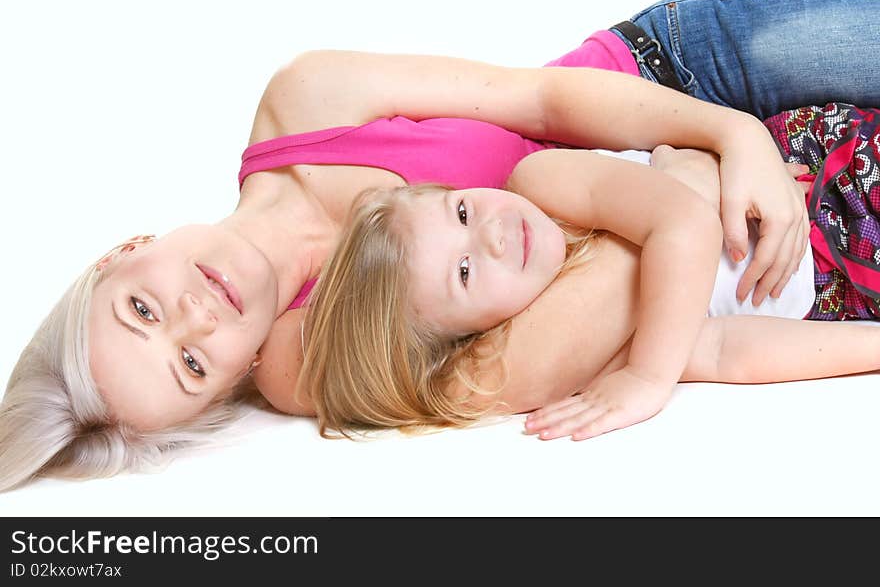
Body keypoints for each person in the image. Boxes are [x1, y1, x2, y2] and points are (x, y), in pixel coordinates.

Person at [2, 0, 879, 492]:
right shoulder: (311, 352)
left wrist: (729, 137)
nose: (194, 317)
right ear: (222, 388)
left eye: (142, 307)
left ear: (120, 250)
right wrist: (681, 185)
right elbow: (591, 330)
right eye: (192, 364)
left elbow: (542, 103)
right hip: (758, 236)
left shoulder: (302, 100)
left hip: (673, 73)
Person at [299, 102, 880, 439]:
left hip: (825, 187)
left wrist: (647, 381)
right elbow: (725, 348)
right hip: (837, 291)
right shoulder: (579, 348)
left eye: (462, 210)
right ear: (466, 340)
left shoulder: (543, 183)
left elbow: (685, 224)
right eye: (467, 271)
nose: (494, 233)